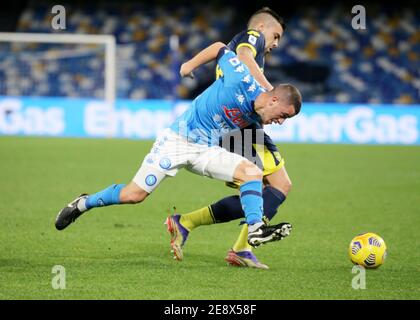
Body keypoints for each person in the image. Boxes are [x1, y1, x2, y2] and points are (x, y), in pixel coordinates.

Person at [55, 44, 302, 259]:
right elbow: (219, 48)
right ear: (273, 101)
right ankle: (83, 203)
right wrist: (188, 65)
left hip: (206, 149)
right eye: (283, 115)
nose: (280, 122)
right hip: (176, 142)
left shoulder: (258, 115)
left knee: (252, 173)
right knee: (134, 195)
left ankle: (256, 227)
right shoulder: (241, 80)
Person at [167, 7, 293, 269]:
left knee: (261, 191)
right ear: (262, 26)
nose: (276, 43)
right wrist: (269, 90)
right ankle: (239, 247)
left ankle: (189, 224)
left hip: (239, 126)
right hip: (241, 128)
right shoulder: (253, 37)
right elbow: (243, 54)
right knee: (275, 187)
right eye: (276, 35)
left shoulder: (257, 52)